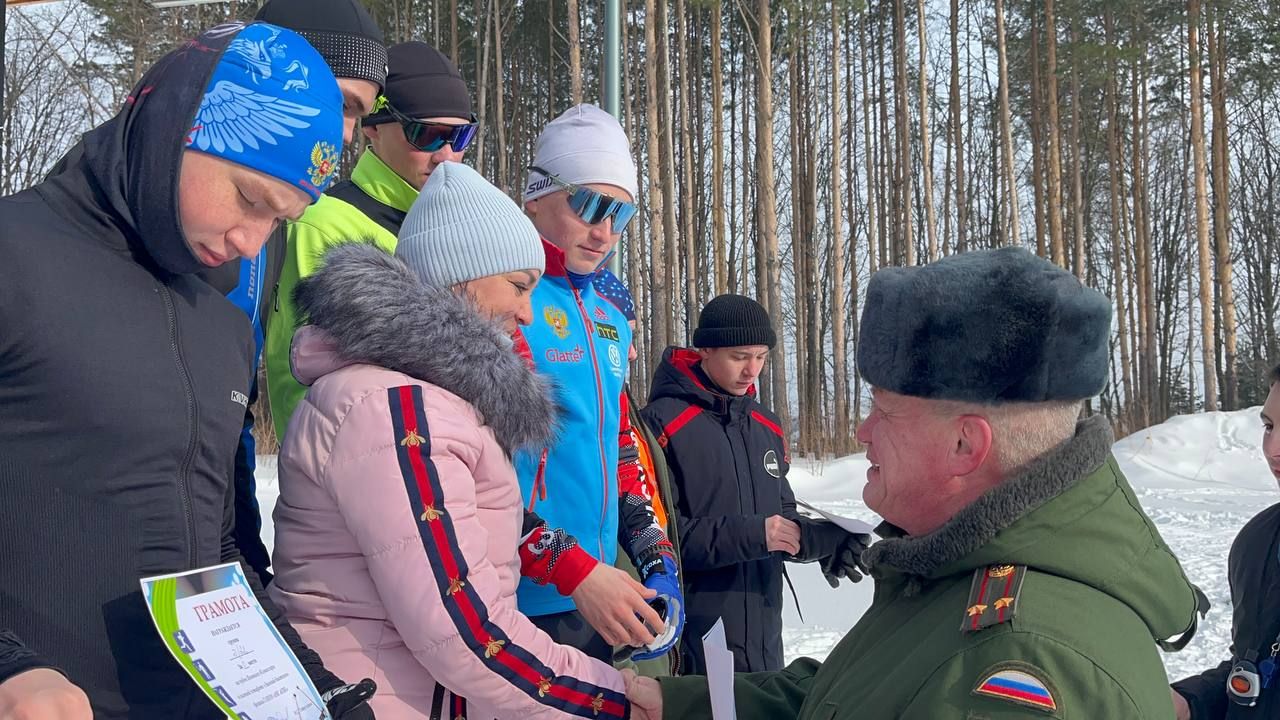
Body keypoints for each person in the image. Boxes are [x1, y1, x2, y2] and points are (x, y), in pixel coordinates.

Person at [624, 247, 1205, 719]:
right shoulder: (957, 576)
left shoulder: (1018, 659)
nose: (862, 429)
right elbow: (861, 694)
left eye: (885, 410)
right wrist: (688, 703)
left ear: (964, 445)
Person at [0, 22, 374, 719]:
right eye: (250, 198)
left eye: (281, 219)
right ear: (179, 125)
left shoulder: (223, 326)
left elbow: (219, 550)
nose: (250, 240)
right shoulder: (15, 254)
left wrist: (312, 685)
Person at [268, 162, 630, 718]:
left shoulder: (430, 401)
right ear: (462, 278)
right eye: (517, 286)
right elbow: (467, 630)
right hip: (383, 699)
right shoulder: (397, 409)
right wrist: (613, 700)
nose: (527, 313)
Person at [224, 0, 390, 584]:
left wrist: (241, 551)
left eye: (357, 115)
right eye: (341, 104)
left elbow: (227, 415)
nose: (346, 135)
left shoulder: (269, 230)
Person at [516, 104, 683, 663]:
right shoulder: (504, 297)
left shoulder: (609, 313)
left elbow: (615, 445)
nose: (604, 231)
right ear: (535, 197)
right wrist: (569, 566)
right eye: (589, 205)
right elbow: (474, 469)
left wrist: (654, 553)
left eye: (622, 215)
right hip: (517, 594)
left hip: (596, 589)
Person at [640, 294, 866, 674]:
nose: (752, 370)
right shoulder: (660, 425)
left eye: (761, 357)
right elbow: (658, 538)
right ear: (706, 350)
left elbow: (783, 517)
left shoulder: (767, 425)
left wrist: (828, 541)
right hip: (694, 645)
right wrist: (757, 534)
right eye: (740, 357)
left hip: (764, 640)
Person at [264, 39, 475, 442]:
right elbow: (314, 382)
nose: (446, 155)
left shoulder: (462, 228)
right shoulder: (325, 224)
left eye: (461, 137)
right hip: (360, 477)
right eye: (426, 134)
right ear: (372, 128)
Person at [1171, 363, 1280, 719]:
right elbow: (1254, 668)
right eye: (1269, 427)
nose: (1273, 449)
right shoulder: (1257, 543)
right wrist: (1189, 703)